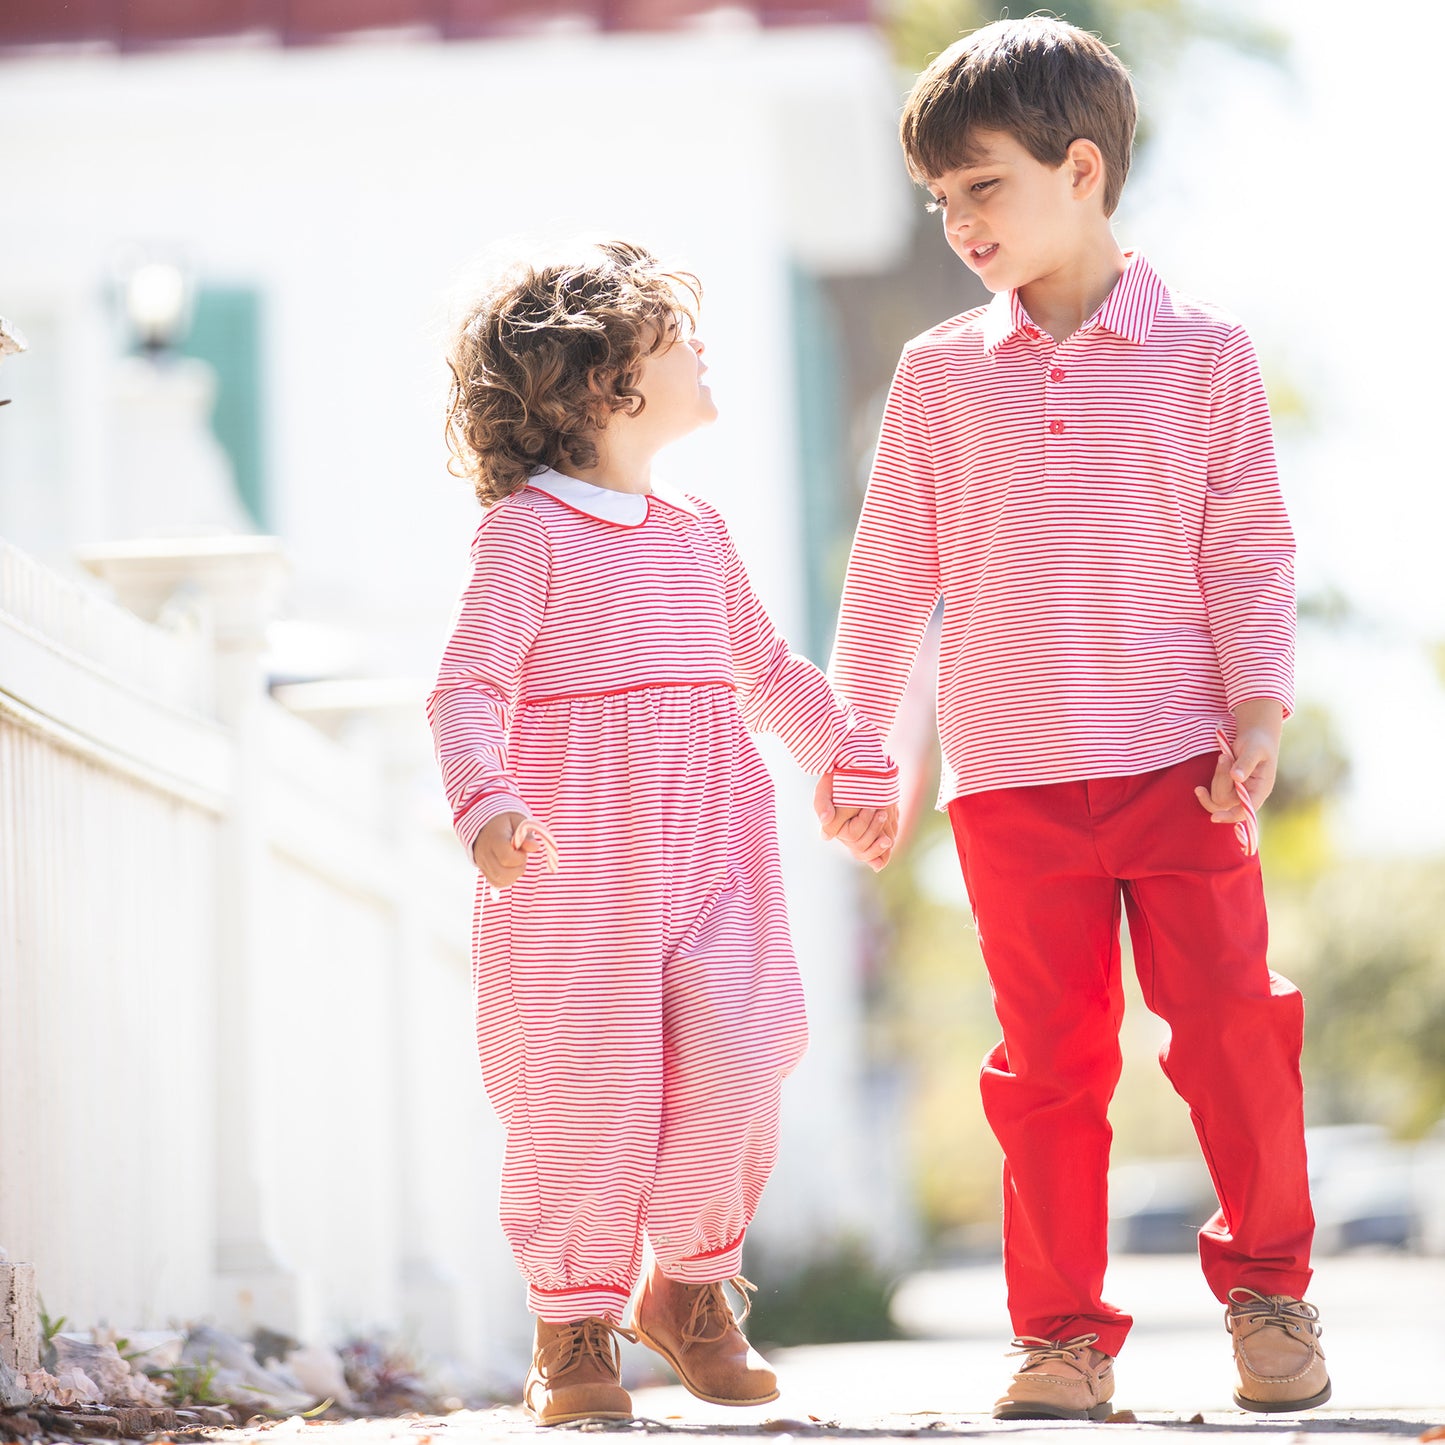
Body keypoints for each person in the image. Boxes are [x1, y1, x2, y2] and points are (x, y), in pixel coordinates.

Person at [817, 17, 1328, 1422]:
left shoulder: (1204, 357)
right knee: (1047, 1069)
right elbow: (890, 575)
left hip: (1181, 766)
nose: (958, 221)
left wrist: (1257, 708)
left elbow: (1247, 550)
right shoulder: (936, 378)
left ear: (1081, 169)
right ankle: (1059, 1338)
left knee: (1231, 1027)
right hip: (1011, 784)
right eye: (941, 200)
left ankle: (1271, 1292)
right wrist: (863, 742)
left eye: (981, 187)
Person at [427, 240, 899, 1426]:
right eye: (676, 337)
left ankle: (687, 1287)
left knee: (748, 1046)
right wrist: (487, 803)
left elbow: (769, 668)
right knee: (584, 1091)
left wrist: (843, 755)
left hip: (710, 850)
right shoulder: (526, 532)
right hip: (572, 867)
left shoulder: (696, 529)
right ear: (601, 386)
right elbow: (467, 686)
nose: (703, 349)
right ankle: (573, 1325)